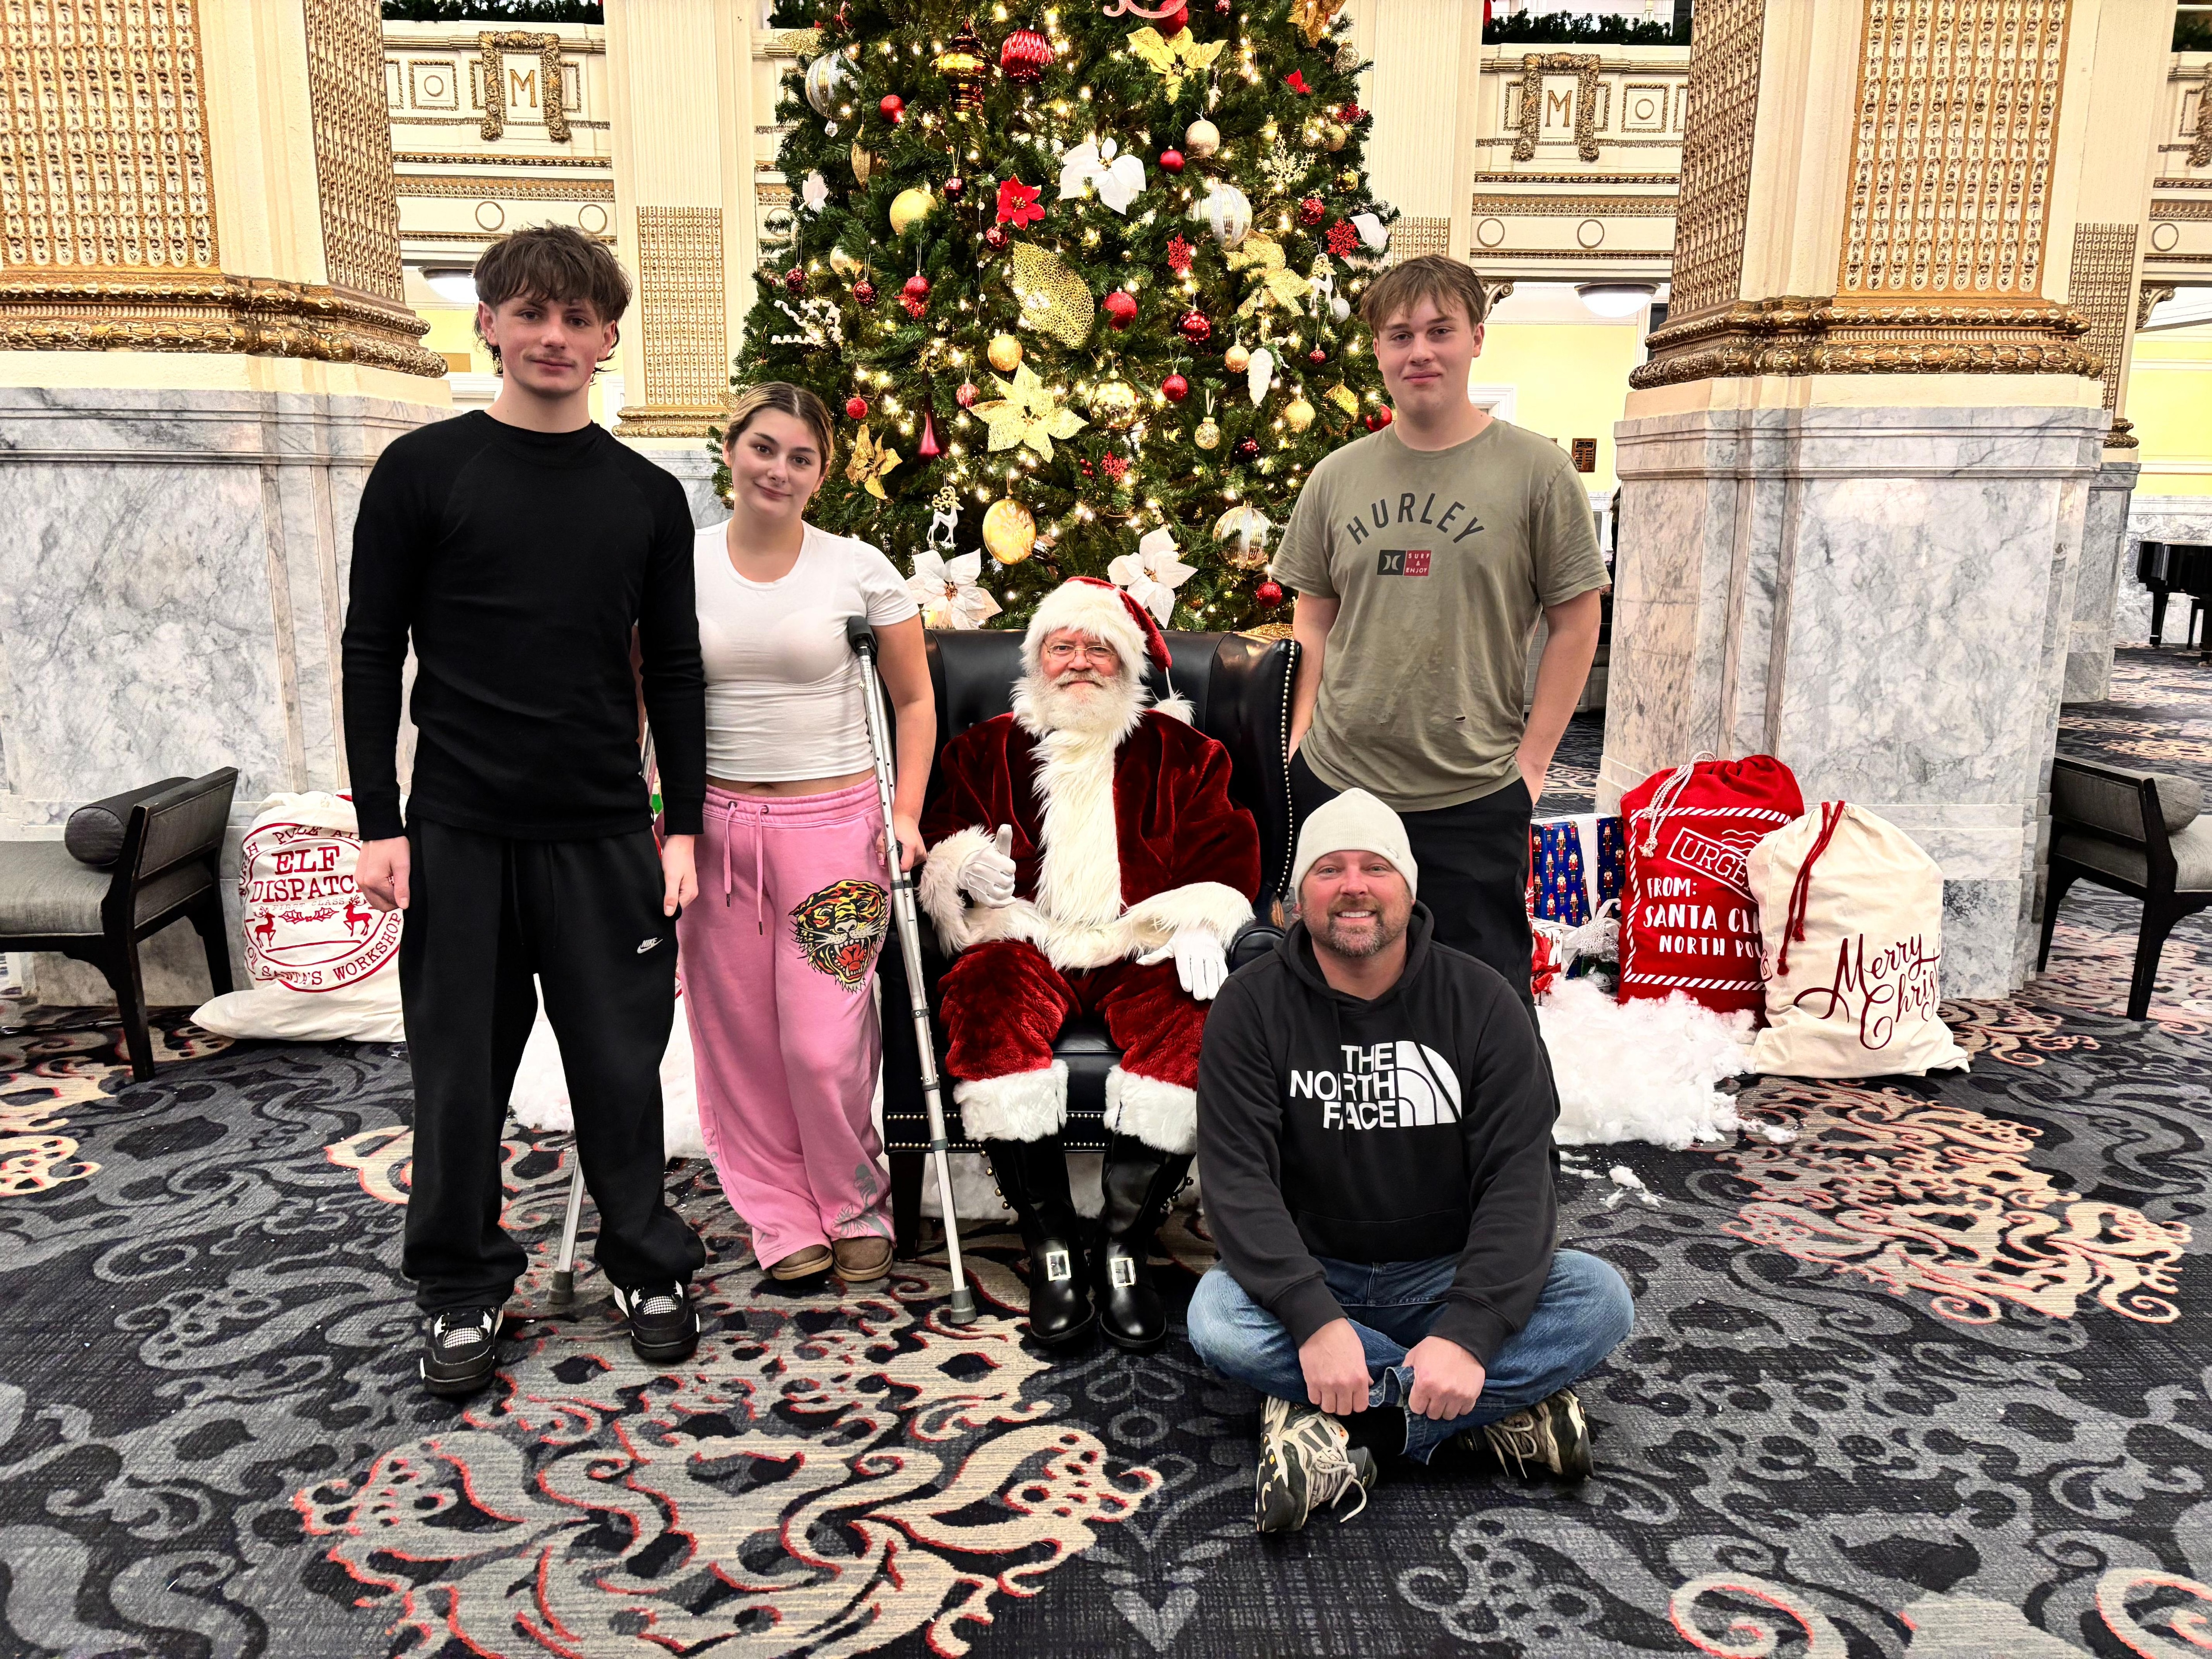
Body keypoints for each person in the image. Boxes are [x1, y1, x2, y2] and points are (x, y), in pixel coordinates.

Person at [344, 224, 708, 1398]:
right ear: (489, 322)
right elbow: (369, 650)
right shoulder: (420, 472)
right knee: (458, 1074)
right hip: (459, 831)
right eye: (532, 313)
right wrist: (378, 819)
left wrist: (684, 824)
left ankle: (647, 1264)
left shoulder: (647, 496)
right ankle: (459, 1286)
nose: (555, 337)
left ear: (609, 338)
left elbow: (680, 670)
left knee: (619, 1065)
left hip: (605, 830)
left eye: (579, 319)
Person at [1187, 790, 1634, 1534]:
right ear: (1299, 897)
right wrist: (1312, 1317)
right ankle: (1488, 1418)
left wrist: (1468, 1331)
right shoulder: (1250, 1005)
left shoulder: (1483, 1001)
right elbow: (1237, 1181)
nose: (1354, 885)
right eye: (1329, 869)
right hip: (1316, 1268)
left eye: (1376, 867)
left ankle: (1345, 1425)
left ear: (1411, 886)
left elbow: (1519, 1182)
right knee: (1217, 1318)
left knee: (1599, 1298)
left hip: (1445, 1272)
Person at [918, 578, 1261, 1352]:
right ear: (1038, 658)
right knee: (984, 995)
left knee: (1196, 1015)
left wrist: (1201, 918)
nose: (1080, 662)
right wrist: (964, 869)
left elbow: (1225, 849)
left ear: (1127, 661)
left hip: (1135, 940)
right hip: (1024, 936)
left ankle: (1120, 1243)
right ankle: (1048, 1241)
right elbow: (940, 841)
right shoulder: (983, 747)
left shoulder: (1184, 753)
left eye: (1098, 647)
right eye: (1062, 646)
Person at [1274, 254, 1610, 1006]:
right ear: (1379, 352)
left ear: (1476, 339)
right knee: (1336, 991)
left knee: (1484, 1006)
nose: (1419, 350)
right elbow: (1313, 624)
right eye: (1400, 335)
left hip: (1474, 788)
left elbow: (1575, 622)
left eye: (1439, 330)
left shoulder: (1538, 473)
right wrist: (1298, 748)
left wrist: (1534, 764)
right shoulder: (1335, 477)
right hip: (1340, 783)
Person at [680, 381, 933, 1288]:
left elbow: (913, 700)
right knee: (738, 1037)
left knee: (822, 1040)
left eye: (799, 457)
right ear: (732, 450)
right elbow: (644, 700)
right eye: (763, 448)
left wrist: (902, 813)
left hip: (836, 830)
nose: (777, 470)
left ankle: (853, 1198)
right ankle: (781, 1215)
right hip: (716, 831)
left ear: (822, 474)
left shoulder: (858, 569)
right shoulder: (682, 560)